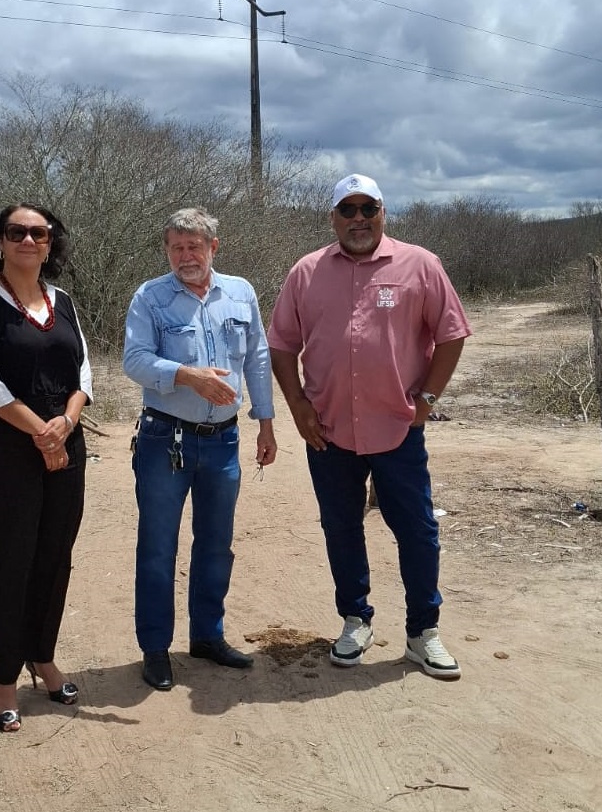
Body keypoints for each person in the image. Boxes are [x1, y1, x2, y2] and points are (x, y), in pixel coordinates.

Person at [267, 174, 471, 680]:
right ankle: (355, 619)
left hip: (397, 427)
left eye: (367, 208)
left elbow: (451, 333)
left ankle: (423, 634)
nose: (358, 219)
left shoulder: (420, 265)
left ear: (383, 212)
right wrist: (296, 405)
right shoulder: (306, 272)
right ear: (333, 217)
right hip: (329, 430)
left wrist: (427, 399)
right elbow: (281, 344)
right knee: (341, 527)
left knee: (418, 531)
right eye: (347, 209)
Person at [123, 207, 277, 691]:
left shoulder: (241, 291)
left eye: (194, 246)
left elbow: (257, 355)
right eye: (176, 247)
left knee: (215, 544)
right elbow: (134, 360)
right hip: (164, 438)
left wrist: (265, 422)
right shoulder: (150, 297)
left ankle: (208, 636)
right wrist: (186, 375)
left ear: (214, 247)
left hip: (224, 441)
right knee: (157, 548)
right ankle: (155, 648)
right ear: (166, 251)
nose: (185, 256)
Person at [0, 203, 92, 731]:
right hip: (7, 450)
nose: (29, 241)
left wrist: (65, 425)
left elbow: (82, 372)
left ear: (51, 243)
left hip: (66, 444)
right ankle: (3, 682)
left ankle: (42, 656)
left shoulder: (64, 302)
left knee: (56, 557)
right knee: (12, 561)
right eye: (18, 232)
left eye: (40, 233)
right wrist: (41, 432)